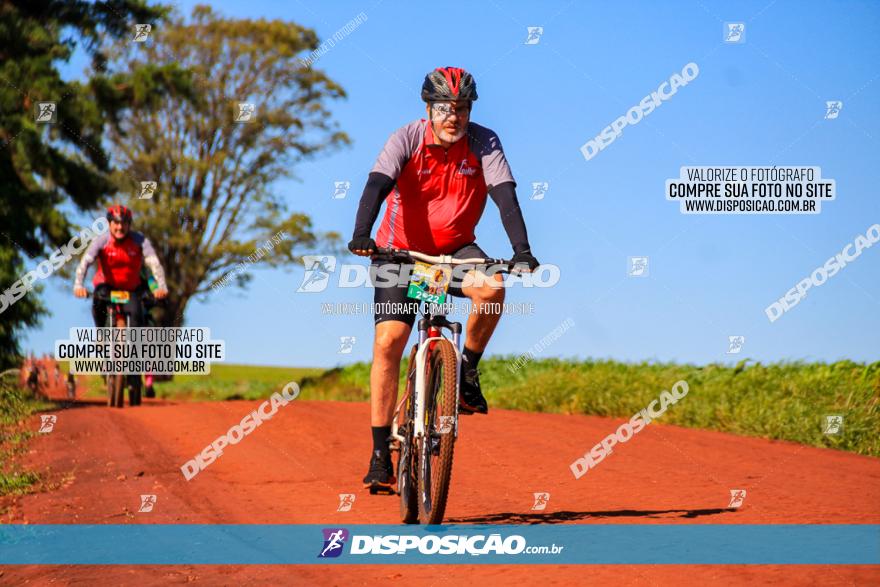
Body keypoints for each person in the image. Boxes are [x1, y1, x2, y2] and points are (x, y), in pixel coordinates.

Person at [349, 66, 540, 491]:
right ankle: (381, 452)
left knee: (493, 286)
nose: (454, 117)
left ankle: (467, 370)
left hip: (455, 252)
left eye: (462, 108)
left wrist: (522, 250)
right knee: (390, 340)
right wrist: (362, 234)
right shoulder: (407, 138)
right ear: (428, 109)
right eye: (444, 109)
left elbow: (504, 194)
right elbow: (377, 184)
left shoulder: (484, 142)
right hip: (400, 250)